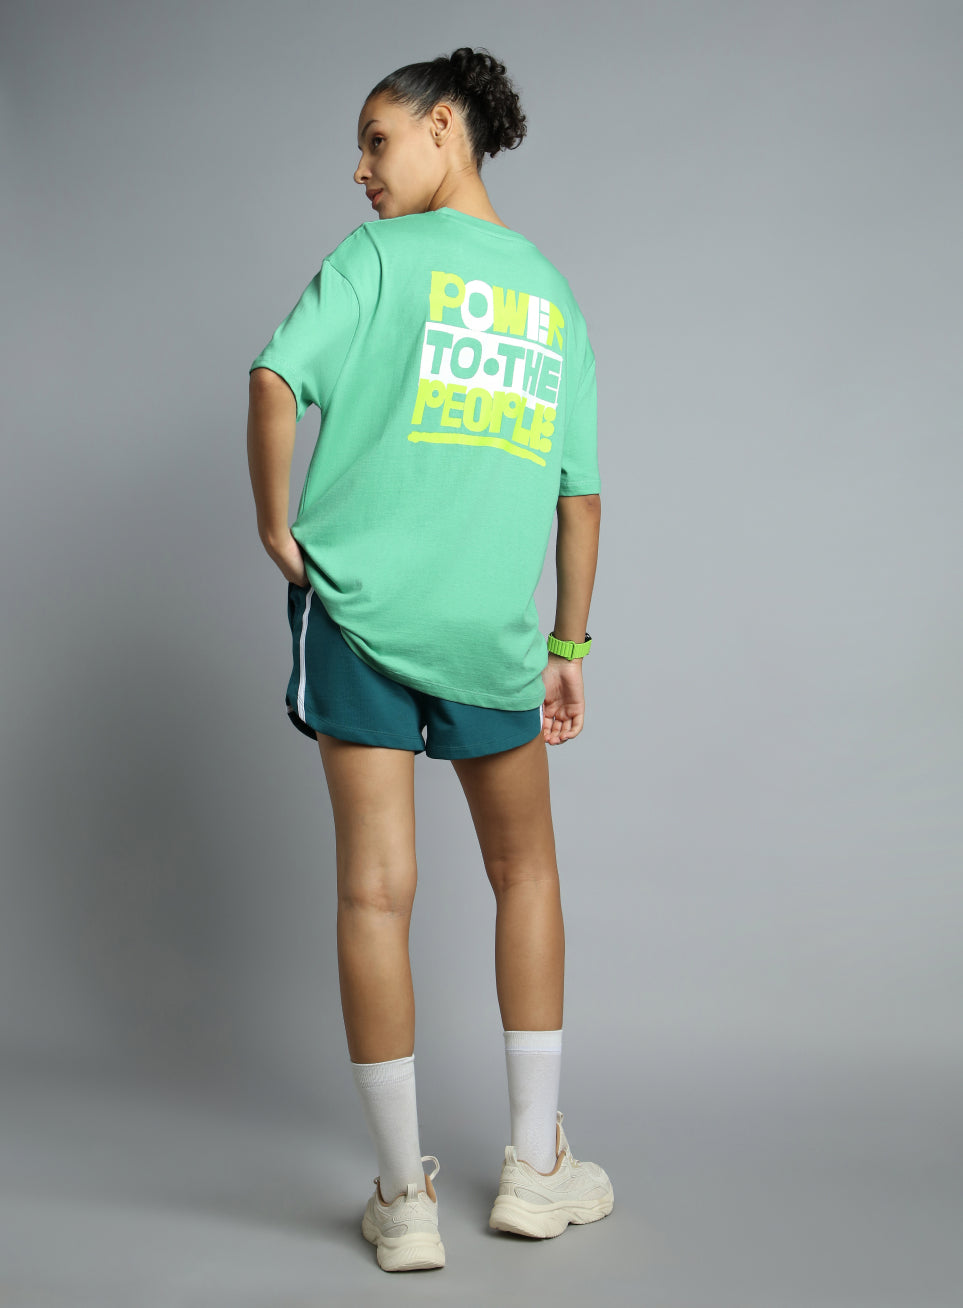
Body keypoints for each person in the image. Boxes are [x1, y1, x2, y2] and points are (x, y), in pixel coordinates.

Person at [246, 47, 612, 1272]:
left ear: (445, 127)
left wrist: (276, 527)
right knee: (527, 873)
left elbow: (275, 379)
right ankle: (536, 1169)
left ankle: (403, 1200)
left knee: (373, 892)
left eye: (377, 140)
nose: (360, 170)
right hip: (488, 632)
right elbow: (579, 501)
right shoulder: (553, 297)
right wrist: (568, 644)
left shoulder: (375, 260)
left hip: (357, 616)